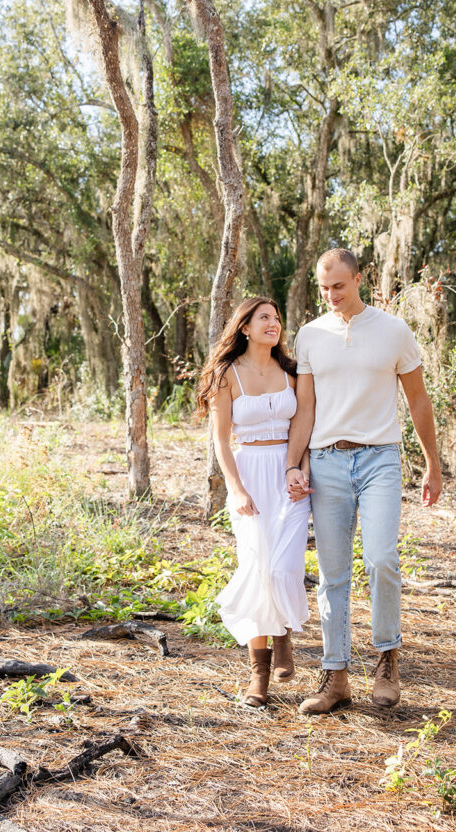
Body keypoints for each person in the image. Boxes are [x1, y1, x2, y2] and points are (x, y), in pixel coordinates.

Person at [285, 249, 442, 714]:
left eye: (339, 285)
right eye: (324, 288)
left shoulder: (394, 331)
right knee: (333, 576)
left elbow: (418, 401)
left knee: (381, 557)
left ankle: (387, 661)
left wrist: (433, 465)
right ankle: (335, 678)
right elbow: (306, 407)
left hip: (380, 460)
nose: (331, 295)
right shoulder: (311, 335)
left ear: (358, 279)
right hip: (327, 462)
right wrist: (296, 463)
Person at [196, 297, 312, 707]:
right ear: (244, 327)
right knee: (256, 568)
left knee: (283, 567)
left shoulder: (291, 371)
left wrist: (301, 469)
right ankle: (258, 676)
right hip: (248, 473)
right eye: (264, 317)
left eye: (277, 318)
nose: (273, 323)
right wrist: (236, 488)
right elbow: (221, 439)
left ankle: (283, 634)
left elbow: (305, 424)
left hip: (288, 474)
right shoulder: (227, 374)